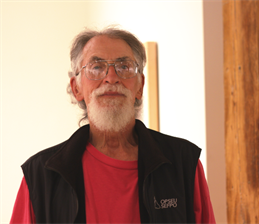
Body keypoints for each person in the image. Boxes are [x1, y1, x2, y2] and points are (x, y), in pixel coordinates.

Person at [10, 27, 216, 224]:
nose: (111, 78)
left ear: (140, 86)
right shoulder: (40, 177)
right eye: (97, 67)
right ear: (77, 88)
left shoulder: (183, 163)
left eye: (124, 67)